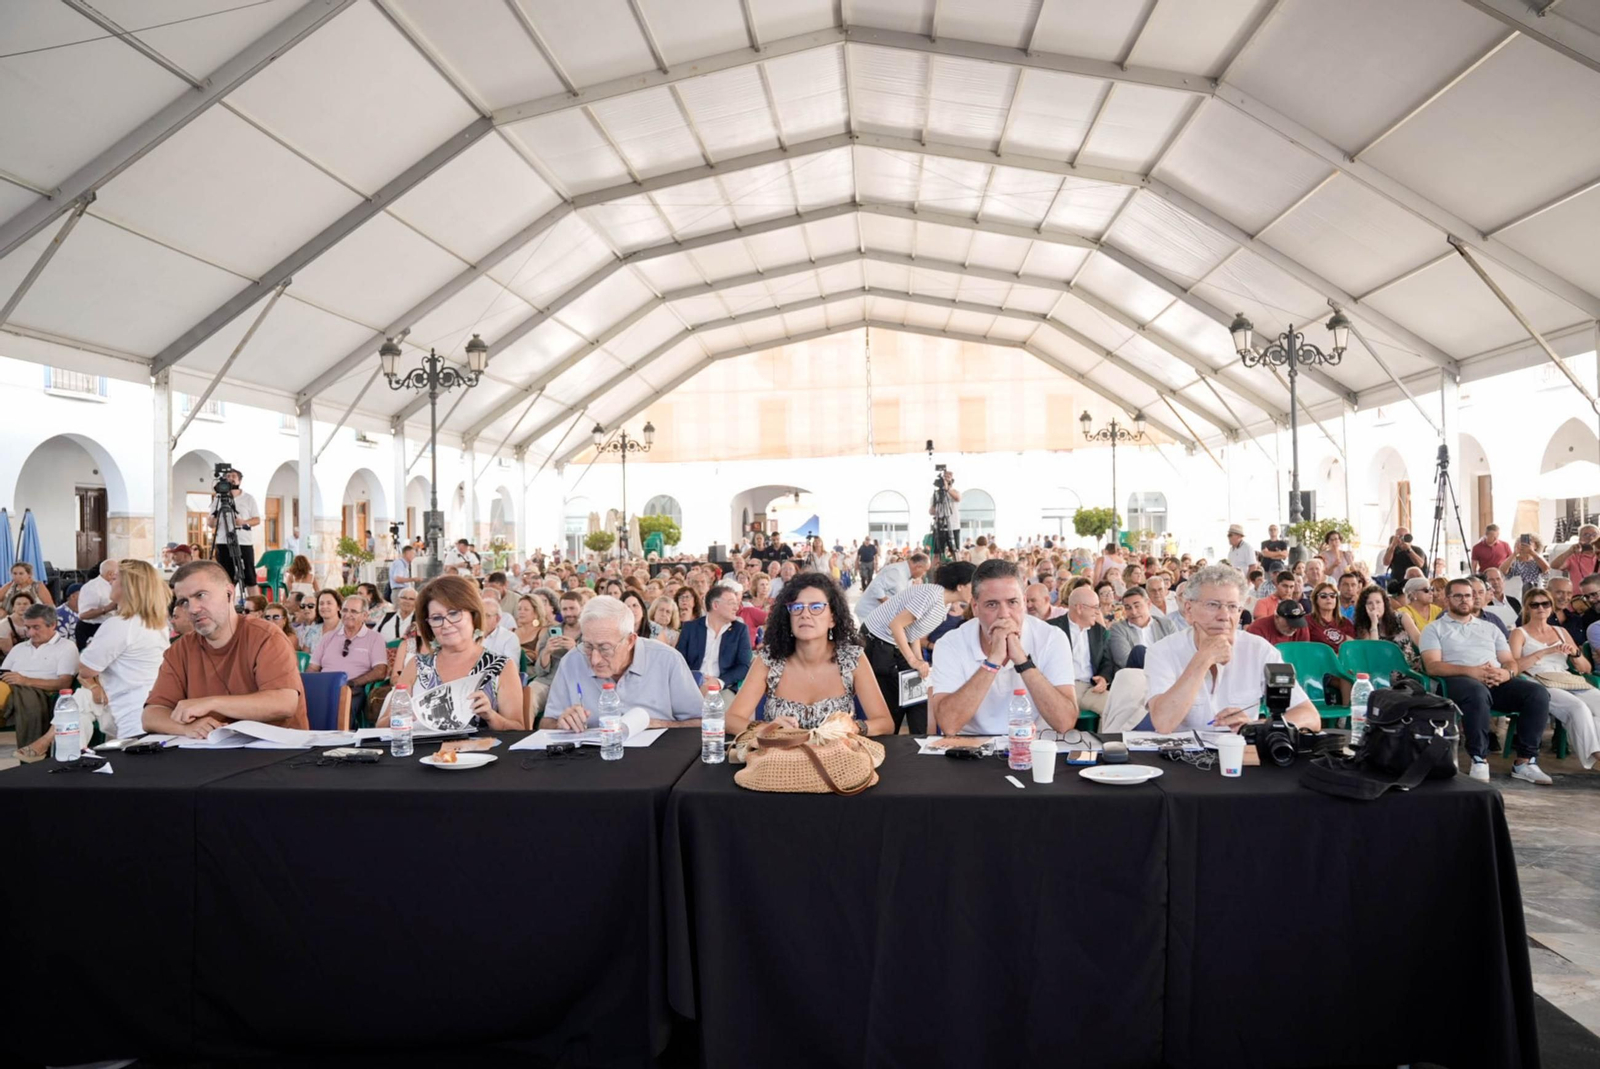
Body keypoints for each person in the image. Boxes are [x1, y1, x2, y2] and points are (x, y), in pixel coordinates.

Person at [1144, 564, 1318, 734]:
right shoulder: (1162, 651)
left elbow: (1310, 717)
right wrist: (1203, 658)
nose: (1224, 616)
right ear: (1189, 610)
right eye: (1213, 605)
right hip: (1183, 752)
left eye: (1232, 607)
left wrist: (1257, 727)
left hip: (1240, 750)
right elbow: (1163, 723)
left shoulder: (1259, 650)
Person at [141, 561, 308, 737]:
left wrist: (211, 703)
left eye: (201, 595)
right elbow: (151, 715)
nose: (193, 609)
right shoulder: (181, 650)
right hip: (211, 749)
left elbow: (284, 703)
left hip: (277, 747)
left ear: (229, 593)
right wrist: (187, 729)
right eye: (184, 601)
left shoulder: (266, 637)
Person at [22, 562, 168, 759]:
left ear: (129, 586)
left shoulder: (119, 625)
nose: (111, 581)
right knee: (81, 703)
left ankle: (70, 756)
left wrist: (91, 655)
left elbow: (86, 670)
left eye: (116, 578)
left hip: (129, 711)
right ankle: (68, 752)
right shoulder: (157, 623)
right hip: (148, 703)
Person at [725, 573, 893, 737]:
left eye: (816, 607)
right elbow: (731, 720)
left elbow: (885, 723)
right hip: (779, 755)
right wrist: (768, 728)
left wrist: (855, 727)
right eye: (797, 607)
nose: (805, 614)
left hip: (837, 755)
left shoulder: (853, 658)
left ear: (832, 618)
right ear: (788, 617)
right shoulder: (769, 659)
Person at [1421, 578, 1552, 784]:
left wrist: (1506, 674)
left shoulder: (1490, 628)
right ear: (1447, 600)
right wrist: (1471, 672)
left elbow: (1509, 661)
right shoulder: (1434, 629)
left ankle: (1525, 762)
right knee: (1476, 691)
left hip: (1495, 680)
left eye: (1468, 595)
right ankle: (1479, 758)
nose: (1464, 600)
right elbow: (1433, 666)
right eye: (1458, 596)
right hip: (1456, 681)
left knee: (1537, 693)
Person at [375, 576, 523, 731]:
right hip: (422, 746)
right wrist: (402, 716)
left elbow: (519, 729)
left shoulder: (501, 666)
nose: (446, 624)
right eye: (436, 618)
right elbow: (381, 725)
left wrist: (491, 716)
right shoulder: (417, 666)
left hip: (481, 747)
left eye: (454, 614)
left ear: (473, 615)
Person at [546, 595, 704, 730]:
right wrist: (562, 723)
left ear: (630, 641)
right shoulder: (571, 661)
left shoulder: (667, 660)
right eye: (587, 646)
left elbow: (701, 722)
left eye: (605, 648)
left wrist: (657, 724)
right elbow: (546, 722)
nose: (594, 659)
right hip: (592, 753)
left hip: (659, 751)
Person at [862, 561, 975, 734]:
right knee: (892, 701)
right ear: (960, 586)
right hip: (878, 643)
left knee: (915, 696)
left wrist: (919, 660)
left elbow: (913, 630)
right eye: (973, 585)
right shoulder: (932, 595)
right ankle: (888, 742)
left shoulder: (943, 604)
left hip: (895, 644)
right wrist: (913, 660)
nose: (976, 591)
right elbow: (896, 625)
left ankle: (918, 742)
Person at [1510, 592, 1600, 771]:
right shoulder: (1519, 633)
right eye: (1535, 605)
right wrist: (1544, 652)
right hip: (1537, 681)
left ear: (1551, 607)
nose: (1541, 608)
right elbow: (1513, 668)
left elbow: (1586, 668)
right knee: (1578, 707)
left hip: (1566, 678)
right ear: (1527, 608)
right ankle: (1597, 757)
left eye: (1545, 604)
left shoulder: (1561, 631)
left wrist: (1575, 654)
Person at [0, 603, 80, 755]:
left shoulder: (66, 647)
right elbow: (3, 673)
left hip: (38, 693)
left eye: (36, 627)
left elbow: (64, 683)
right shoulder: (19, 648)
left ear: (53, 625)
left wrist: (25, 680)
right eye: (27, 627)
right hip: (10, 688)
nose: (30, 633)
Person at [308, 592, 389, 725]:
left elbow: (380, 671)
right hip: (324, 686)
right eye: (345, 610)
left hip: (353, 687)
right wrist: (310, 684)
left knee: (343, 702)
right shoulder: (329, 637)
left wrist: (352, 683)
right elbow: (313, 667)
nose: (347, 615)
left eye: (353, 611)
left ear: (365, 615)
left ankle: (339, 735)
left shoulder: (374, 638)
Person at [1050, 585, 1115, 717]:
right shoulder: (1051, 628)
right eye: (1095, 607)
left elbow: (1107, 661)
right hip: (1058, 688)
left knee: (1115, 708)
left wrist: (1103, 678)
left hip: (1089, 688)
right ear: (1080, 608)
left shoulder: (1099, 631)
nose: (1098, 612)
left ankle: (1103, 733)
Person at [676, 585, 753, 692]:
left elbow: (744, 666)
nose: (736, 608)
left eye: (737, 604)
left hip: (723, 687)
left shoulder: (739, 630)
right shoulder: (691, 628)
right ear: (715, 605)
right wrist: (693, 681)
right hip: (691, 685)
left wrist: (719, 682)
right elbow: (679, 661)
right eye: (732, 603)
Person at [210, 467, 261, 596]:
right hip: (223, 542)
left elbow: (257, 520)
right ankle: (228, 605)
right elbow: (210, 523)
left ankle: (256, 604)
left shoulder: (248, 498)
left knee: (250, 577)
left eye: (233, 476)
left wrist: (243, 522)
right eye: (227, 476)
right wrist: (215, 518)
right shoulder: (218, 499)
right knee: (226, 579)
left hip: (244, 542)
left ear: (240, 480)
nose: (230, 479)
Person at [1107, 586, 1180, 670]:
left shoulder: (1166, 625)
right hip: (1135, 674)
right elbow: (1124, 661)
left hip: (1167, 672)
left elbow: (1177, 653)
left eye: (1137, 606)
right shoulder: (1118, 629)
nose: (1133, 612)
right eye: (1128, 608)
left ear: (1148, 604)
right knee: (1138, 651)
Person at [1352, 583, 1421, 668]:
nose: (1374, 607)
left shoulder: (1402, 617)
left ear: (1384, 603)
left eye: (1378, 602)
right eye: (1370, 603)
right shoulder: (1363, 626)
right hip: (1382, 670)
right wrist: (1374, 623)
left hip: (1410, 666)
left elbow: (1418, 640)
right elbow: (1373, 654)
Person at [856, 552, 931, 616]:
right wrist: (890, 606)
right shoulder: (897, 571)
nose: (924, 574)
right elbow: (876, 587)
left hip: (878, 615)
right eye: (925, 571)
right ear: (918, 567)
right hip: (868, 612)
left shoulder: (909, 576)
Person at [76, 558, 119, 649]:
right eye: (118, 573)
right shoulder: (92, 587)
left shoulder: (117, 585)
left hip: (111, 627)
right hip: (92, 628)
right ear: (110, 574)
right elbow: (83, 615)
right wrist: (107, 608)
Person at [1244, 599, 1311, 647]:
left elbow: (1303, 653)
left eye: (1297, 623)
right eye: (1289, 623)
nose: (1294, 628)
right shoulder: (1258, 629)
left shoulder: (1301, 628)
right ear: (1276, 617)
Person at [298, 589, 343, 653]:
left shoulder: (346, 629)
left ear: (339, 607)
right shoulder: (313, 630)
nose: (324, 606)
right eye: (321, 603)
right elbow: (305, 656)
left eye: (329, 603)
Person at [0, 590, 35, 657]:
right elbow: (8, 653)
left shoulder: (37, 622)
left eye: (25, 604)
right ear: (13, 608)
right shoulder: (4, 625)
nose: (22, 606)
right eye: (18, 604)